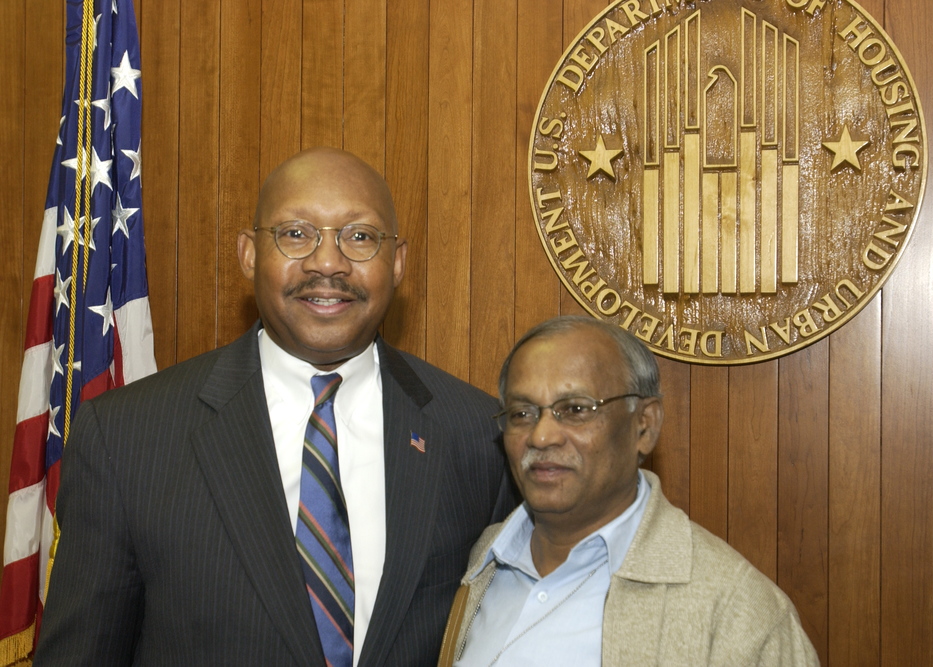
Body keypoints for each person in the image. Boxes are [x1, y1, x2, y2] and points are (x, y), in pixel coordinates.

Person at [34, 148, 515, 667]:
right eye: (295, 234)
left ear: (396, 262)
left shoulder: (477, 435)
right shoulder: (127, 436)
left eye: (359, 237)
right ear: (248, 254)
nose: (327, 263)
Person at [439, 316, 819, 667]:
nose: (541, 436)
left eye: (575, 409)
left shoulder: (738, 610)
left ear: (645, 425)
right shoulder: (483, 564)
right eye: (522, 413)